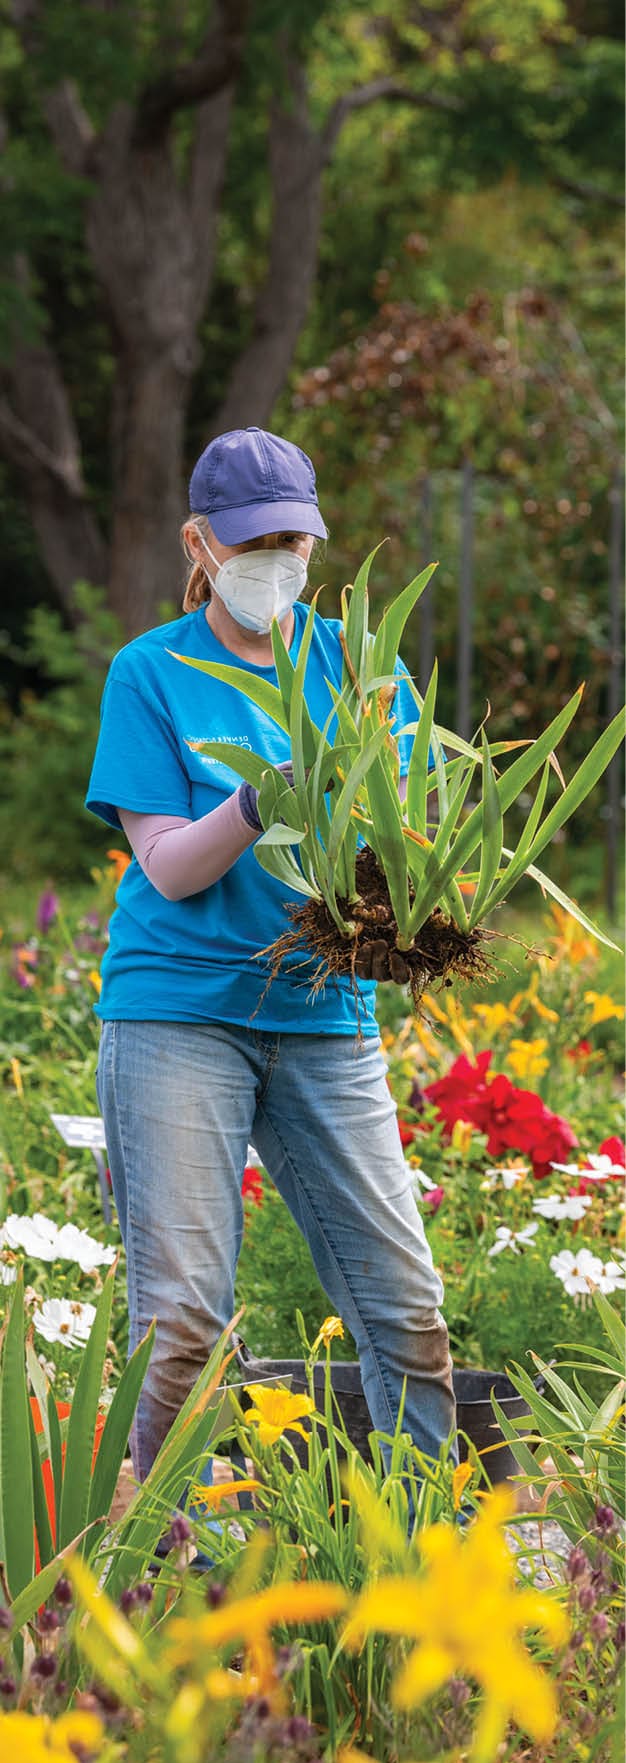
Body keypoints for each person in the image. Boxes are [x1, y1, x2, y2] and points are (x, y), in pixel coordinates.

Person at [86, 425, 457, 1524]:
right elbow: (168, 866)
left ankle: (417, 1555)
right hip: (178, 1011)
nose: (278, 561)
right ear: (198, 543)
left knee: (405, 1310)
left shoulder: (355, 662)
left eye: (296, 539)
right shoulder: (149, 672)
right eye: (253, 542)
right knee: (183, 1324)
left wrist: (412, 822)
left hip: (320, 1012)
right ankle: (162, 1572)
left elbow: (417, 828)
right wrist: (258, 802)